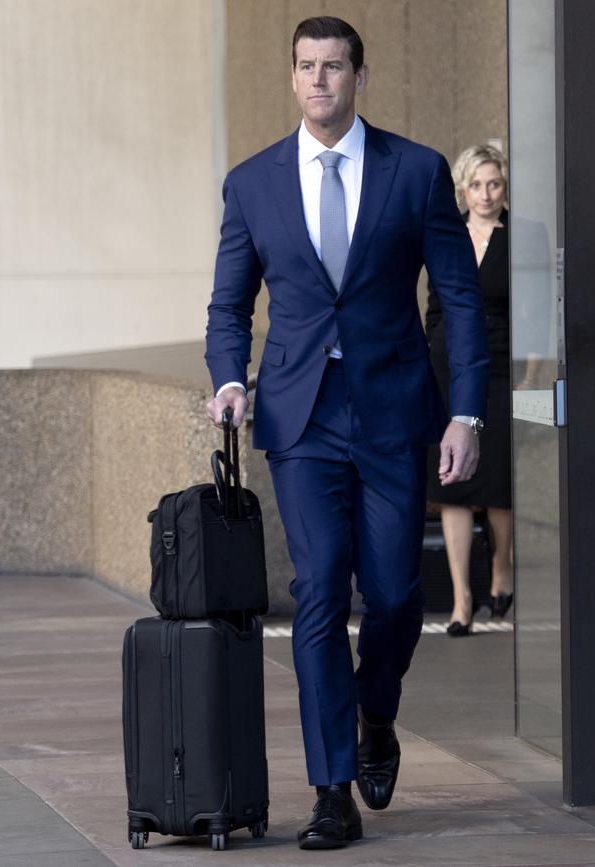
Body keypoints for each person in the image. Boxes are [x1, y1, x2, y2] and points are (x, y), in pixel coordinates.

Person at [205, 17, 488, 850]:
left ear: (361, 76)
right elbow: (228, 305)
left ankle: (375, 714)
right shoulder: (252, 183)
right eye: (305, 67)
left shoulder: (417, 172)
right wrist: (228, 378)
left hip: (397, 411)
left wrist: (465, 411)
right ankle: (331, 789)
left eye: (334, 67)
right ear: (292, 77)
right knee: (323, 590)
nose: (319, 80)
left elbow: (461, 301)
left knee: (397, 595)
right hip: (302, 417)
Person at [425, 144, 514, 636]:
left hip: (503, 368)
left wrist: (532, 373)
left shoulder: (524, 236)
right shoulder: (447, 233)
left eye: (494, 183)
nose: (485, 194)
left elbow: (537, 310)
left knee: (500, 486)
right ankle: (461, 602)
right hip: (449, 367)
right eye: (476, 185)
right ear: (462, 189)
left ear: (504, 186)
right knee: (451, 484)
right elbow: (435, 307)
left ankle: (502, 569)